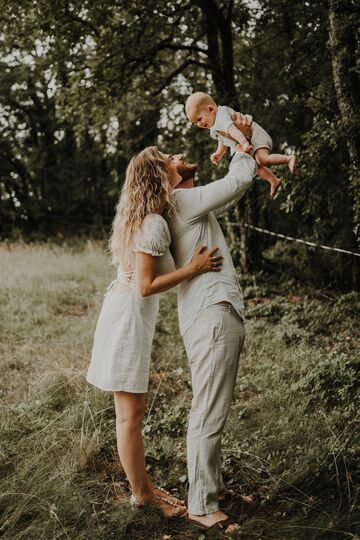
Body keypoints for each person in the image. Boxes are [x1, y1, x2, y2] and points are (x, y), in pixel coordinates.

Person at [86, 146, 223, 518]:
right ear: (156, 175)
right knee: (130, 416)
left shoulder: (149, 216)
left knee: (132, 412)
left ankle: (143, 486)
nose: (173, 156)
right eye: (165, 156)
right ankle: (143, 496)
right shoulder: (153, 224)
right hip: (128, 316)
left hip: (124, 312)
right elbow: (145, 286)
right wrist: (193, 269)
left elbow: (190, 199)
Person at [166, 115, 257, 533]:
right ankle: (201, 505)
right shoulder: (179, 202)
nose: (177, 155)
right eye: (169, 157)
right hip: (212, 314)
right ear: (164, 178)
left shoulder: (189, 202)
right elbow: (236, 183)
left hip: (211, 313)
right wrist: (244, 143)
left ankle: (213, 487)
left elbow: (226, 194)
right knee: (209, 410)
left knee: (211, 405)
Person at [185, 91, 296, 198]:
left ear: (211, 109)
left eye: (199, 119)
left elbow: (233, 130)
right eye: (195, 122)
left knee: (261, 159)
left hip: (254, 136)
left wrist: (244, 143)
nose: (199, 124)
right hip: (246, 141)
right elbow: (223, 141)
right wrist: (219, 153)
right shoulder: (213, 128)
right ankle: (274, 180)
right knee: (255, 167)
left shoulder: (222, 116)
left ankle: (288, 159)